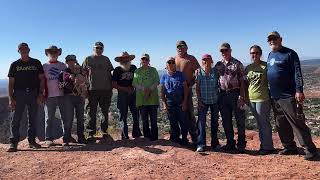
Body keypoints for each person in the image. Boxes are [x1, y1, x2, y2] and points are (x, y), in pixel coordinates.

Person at [266, 31, 319, 160]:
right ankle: (289, 147)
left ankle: (310, 150)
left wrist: (299, 90)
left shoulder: (290, 53)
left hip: (288, 95)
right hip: (275, 96)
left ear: (280, 39)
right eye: (270, 39)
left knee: (297, 122)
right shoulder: (270, 55)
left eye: (275, 38)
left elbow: (297, 73)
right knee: (281, 123)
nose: (272, 41)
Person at [7, 43, 45, 152]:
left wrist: (40, 93)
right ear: (18, 51)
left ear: (29, 49)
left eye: (25, 48)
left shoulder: (36, 62)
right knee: (16, 119)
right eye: (21, 49)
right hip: (19, 94)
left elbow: (42, 79)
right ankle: (13, 143)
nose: (24, 50)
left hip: (33, 93)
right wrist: (11, 98)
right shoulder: (14, 64)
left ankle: (32, 141)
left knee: (33, 118)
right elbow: (11, 83)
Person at [216, 43, 247, 153]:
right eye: (222, 51)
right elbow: (215, 80)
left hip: (235, 93)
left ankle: (241, 144)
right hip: (223, 95)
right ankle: (230, 143)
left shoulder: (237, 63)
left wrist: (241, 96)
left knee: (240, 120)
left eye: (226, 50)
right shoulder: (218, 64)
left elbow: (243, 81)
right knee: (226, 121)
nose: (224, 53)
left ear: (230, 50)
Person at [245, 45, 275, 155]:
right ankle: (264, 145)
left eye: (256, 53)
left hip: (263, 98)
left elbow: (272, 81)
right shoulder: (248, 68)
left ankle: (267, 147)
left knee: (264, 123)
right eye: (252, 53)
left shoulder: (265, 66)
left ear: (260, 53)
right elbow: (246, 83)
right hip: (251, 99)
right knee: (260, 123)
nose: (254, 55)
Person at [82, 42, 114, 143]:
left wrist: (111, 88)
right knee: (91, 112)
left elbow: (110, 73)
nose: (99, 49)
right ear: (93, 48)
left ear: (103, 49)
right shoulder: (88, 59)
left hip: (106, 89)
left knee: (104, 112)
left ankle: (104, 133)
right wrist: (84, 89)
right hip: (92, 90)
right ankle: (91, 134)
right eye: (97, 48)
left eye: (100, 48)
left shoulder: (106, 59)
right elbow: (83, 74)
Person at [174, 40, 200, 145]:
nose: (180, 48)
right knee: (177, 115)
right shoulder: (173, 59)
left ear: (186, 48)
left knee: (189, 114)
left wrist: (191, 84)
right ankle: (180, 138)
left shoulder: (191, 59)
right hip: (176, 92)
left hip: (187, 91)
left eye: (182, 47)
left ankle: (194, 138)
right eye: (178, 47)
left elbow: (198, 73)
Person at [58, 55, 88, 145]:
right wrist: (67, 82)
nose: (71, 62)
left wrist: (84, 93)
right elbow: (60, 86)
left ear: (75, 61)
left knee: (80, 118)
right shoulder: (63, 73)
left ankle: (81, 137)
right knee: (68, 119)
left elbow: (86, 83)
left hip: (80, 96)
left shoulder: (81, 71)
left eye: (72, 60)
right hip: (68, 97)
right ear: (66, 62)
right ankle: (66, 138)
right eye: (69, 61)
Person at [112, 51, 142, 140]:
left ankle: (136, 133)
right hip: (122, 94)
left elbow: (137, 80)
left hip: (133, 93)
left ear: (129, 59)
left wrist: (133, 88)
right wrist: (125, 89)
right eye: (123, 58)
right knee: (123, 115)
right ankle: (124, 136)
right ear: (120, 60)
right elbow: (113, 84)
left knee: (136, 114)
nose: (125, 60)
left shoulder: (133, 68)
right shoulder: (117, 70)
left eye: (126, 58)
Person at [43, 45, 68, 146]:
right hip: (49, 96)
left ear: (58, 53)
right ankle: (48, 139)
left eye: (55, 52)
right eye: (51, 52)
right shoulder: (44, 66)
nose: (53, 53)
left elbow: (68, 79)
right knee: (49, 118)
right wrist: (41, 94)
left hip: (62, 95)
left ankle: (66, 138)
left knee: (64, 117)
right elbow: (40, 80)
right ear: (48, 53)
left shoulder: (63, 65)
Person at [160, 57, 188, 145]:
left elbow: (186, 89)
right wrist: (164, 104)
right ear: (166, 65)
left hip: (180, 101)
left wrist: (184, 102)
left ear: (175, 64)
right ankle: (176, 139)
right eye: (169, 62)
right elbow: (162, 92)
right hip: (170, 102)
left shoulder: (180, 74)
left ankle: (184, 139)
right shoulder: (164, 76)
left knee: (183, 121)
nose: (171, 64)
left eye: (173, 62)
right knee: (173, 122)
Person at [195, 54, 220, 152]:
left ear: (211, 61)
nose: (205, 61)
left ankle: (215, 143)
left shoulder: (215, 72)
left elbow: (219, 84)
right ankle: (201, 144)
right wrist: (199, 100)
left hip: (214, 100)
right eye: (204, 60)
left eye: (207, 60)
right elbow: (197, 88)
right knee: (201, 123)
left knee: (214, 122)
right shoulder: (199, 72)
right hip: (203, 101)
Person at [132, 54, 160, 141]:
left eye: (146, 59)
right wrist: (144, 89)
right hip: (141, 100)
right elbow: (134, 83)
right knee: (144, 120)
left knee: (153, 120)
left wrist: (149, 90)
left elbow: (157, 81)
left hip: (153, 99)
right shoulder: (137, 71)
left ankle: (154, 138)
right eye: (143, 59)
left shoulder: (153, 70)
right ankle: (147, 137)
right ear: (140, 61)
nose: (144, 61)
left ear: (149, 60)